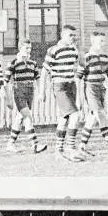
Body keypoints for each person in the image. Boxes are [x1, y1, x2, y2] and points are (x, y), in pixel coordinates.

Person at [77, 30, 108, 154]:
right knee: (101, 116)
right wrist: (79, 98)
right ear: (93, 41)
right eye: (101, 41)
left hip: (101, 89)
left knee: (92, 119)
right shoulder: (85, 58)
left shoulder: (104, 58)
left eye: (104, 41)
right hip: (90, 89)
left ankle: (81, 147)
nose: (103, 44)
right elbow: (78, 78)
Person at [40, 25, 84, 162]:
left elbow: (77, 69)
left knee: (64, 118)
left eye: (74, 35)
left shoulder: (74, 50)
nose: (73, 38)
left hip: (71, 85)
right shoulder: (54, 50)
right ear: (62, 35)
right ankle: (71, 150)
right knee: (75, 115)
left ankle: (58, 151)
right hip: (59, 86)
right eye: (70, 35)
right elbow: (44, 71)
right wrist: (42, 92)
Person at [7, 40, 46, 154]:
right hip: (19, 91)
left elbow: (37, 78)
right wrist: (8, 95)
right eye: (26, 48)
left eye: (30, 48)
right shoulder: (13, 62)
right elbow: (6, 80)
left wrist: (40, 92)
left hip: (30, 92)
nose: (29, 50)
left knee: (20, 118)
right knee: (28, 116)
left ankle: (11, 143)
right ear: (20, 48)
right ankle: (35, 144)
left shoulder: (32, 63)